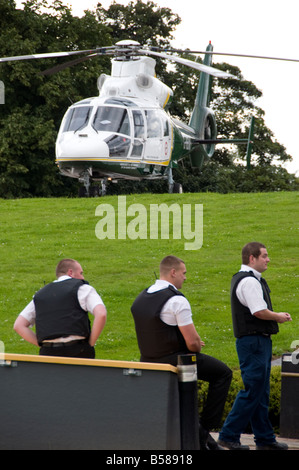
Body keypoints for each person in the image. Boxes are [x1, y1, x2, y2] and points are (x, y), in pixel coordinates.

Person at [131, 255, 232, 450]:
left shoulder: (142, 296)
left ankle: (204, 440)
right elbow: (193, 343)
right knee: (223, 374)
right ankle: (203, 432)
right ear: (173, 272)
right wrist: (195, 344)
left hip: (147, 360)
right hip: (176, 361)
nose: (185, 278)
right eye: (184, 273)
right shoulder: (176, 300)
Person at [218, 242, 292, 450]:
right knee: (253, 390)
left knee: (261, 391)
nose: (268, 259)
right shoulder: (249, 282)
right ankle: (228, 435)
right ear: (252, 258)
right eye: (264, 256)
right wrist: (278, 316)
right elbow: (258, 311)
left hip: (256, 341)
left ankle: (265, 439)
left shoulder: (246, 279)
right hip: (253, 342)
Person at [14, 258, 107, 359]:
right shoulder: (82, 288)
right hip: (79, 351)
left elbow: (19, 325)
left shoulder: (40, 295)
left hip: (48, 354)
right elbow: (101, 314)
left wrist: (43, 345)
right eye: (81, 273)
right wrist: (90, 343)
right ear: (70, 272)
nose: (82, 277)